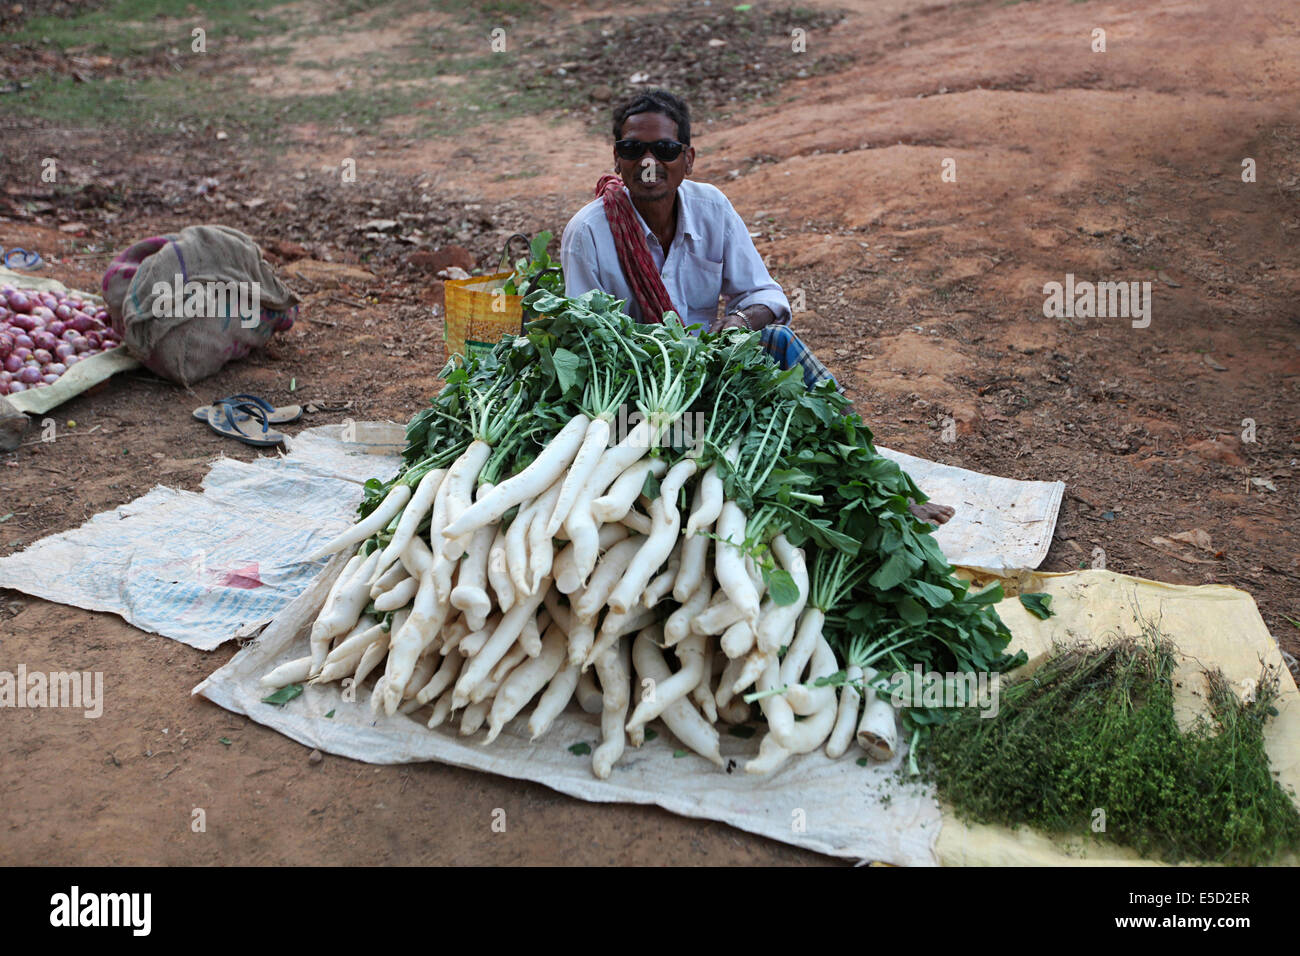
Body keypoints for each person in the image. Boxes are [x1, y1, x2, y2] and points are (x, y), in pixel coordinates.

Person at [559, 89, 953, 527]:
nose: (649, 163)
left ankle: (883, 484)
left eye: (665, 150)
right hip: (637, 402)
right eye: (634, 149)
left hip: (714, 370)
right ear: (617, 159)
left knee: (780, 347)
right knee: (711, 441)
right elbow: (591, 348)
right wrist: (665, 376)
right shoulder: (589, 234)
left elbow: (766, 297)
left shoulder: (712, 209)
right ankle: (708, 459)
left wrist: (737, 322)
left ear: (688, 159)